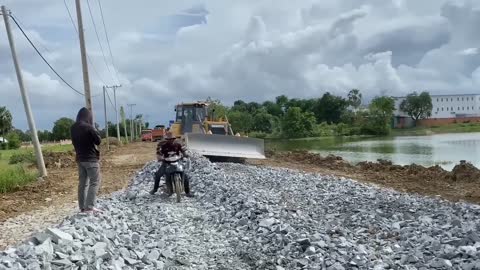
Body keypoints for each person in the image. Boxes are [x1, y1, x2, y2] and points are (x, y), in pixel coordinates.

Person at [70, 107, 102, 213]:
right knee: (94, 182)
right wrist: (95, 129)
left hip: (80, 159)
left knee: (82, 184)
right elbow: (98, 141)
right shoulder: (89, 127)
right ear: (88, 117)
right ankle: (89, 207)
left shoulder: (73, 128)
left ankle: (82, 207)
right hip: (91, 159)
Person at [157, 131, 194, 197]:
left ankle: (187, 192)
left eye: (172, 139)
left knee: (185, 176)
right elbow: (159, 153)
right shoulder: (162, 145)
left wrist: (186, 155)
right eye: (169, 139)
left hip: (177, 161)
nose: (171, 140)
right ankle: (156, 189)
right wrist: (160, 158)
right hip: (167, 163)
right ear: (167, 139)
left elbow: (183, 151)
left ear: (174, 139)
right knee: (159, 175)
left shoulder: (178, 144)